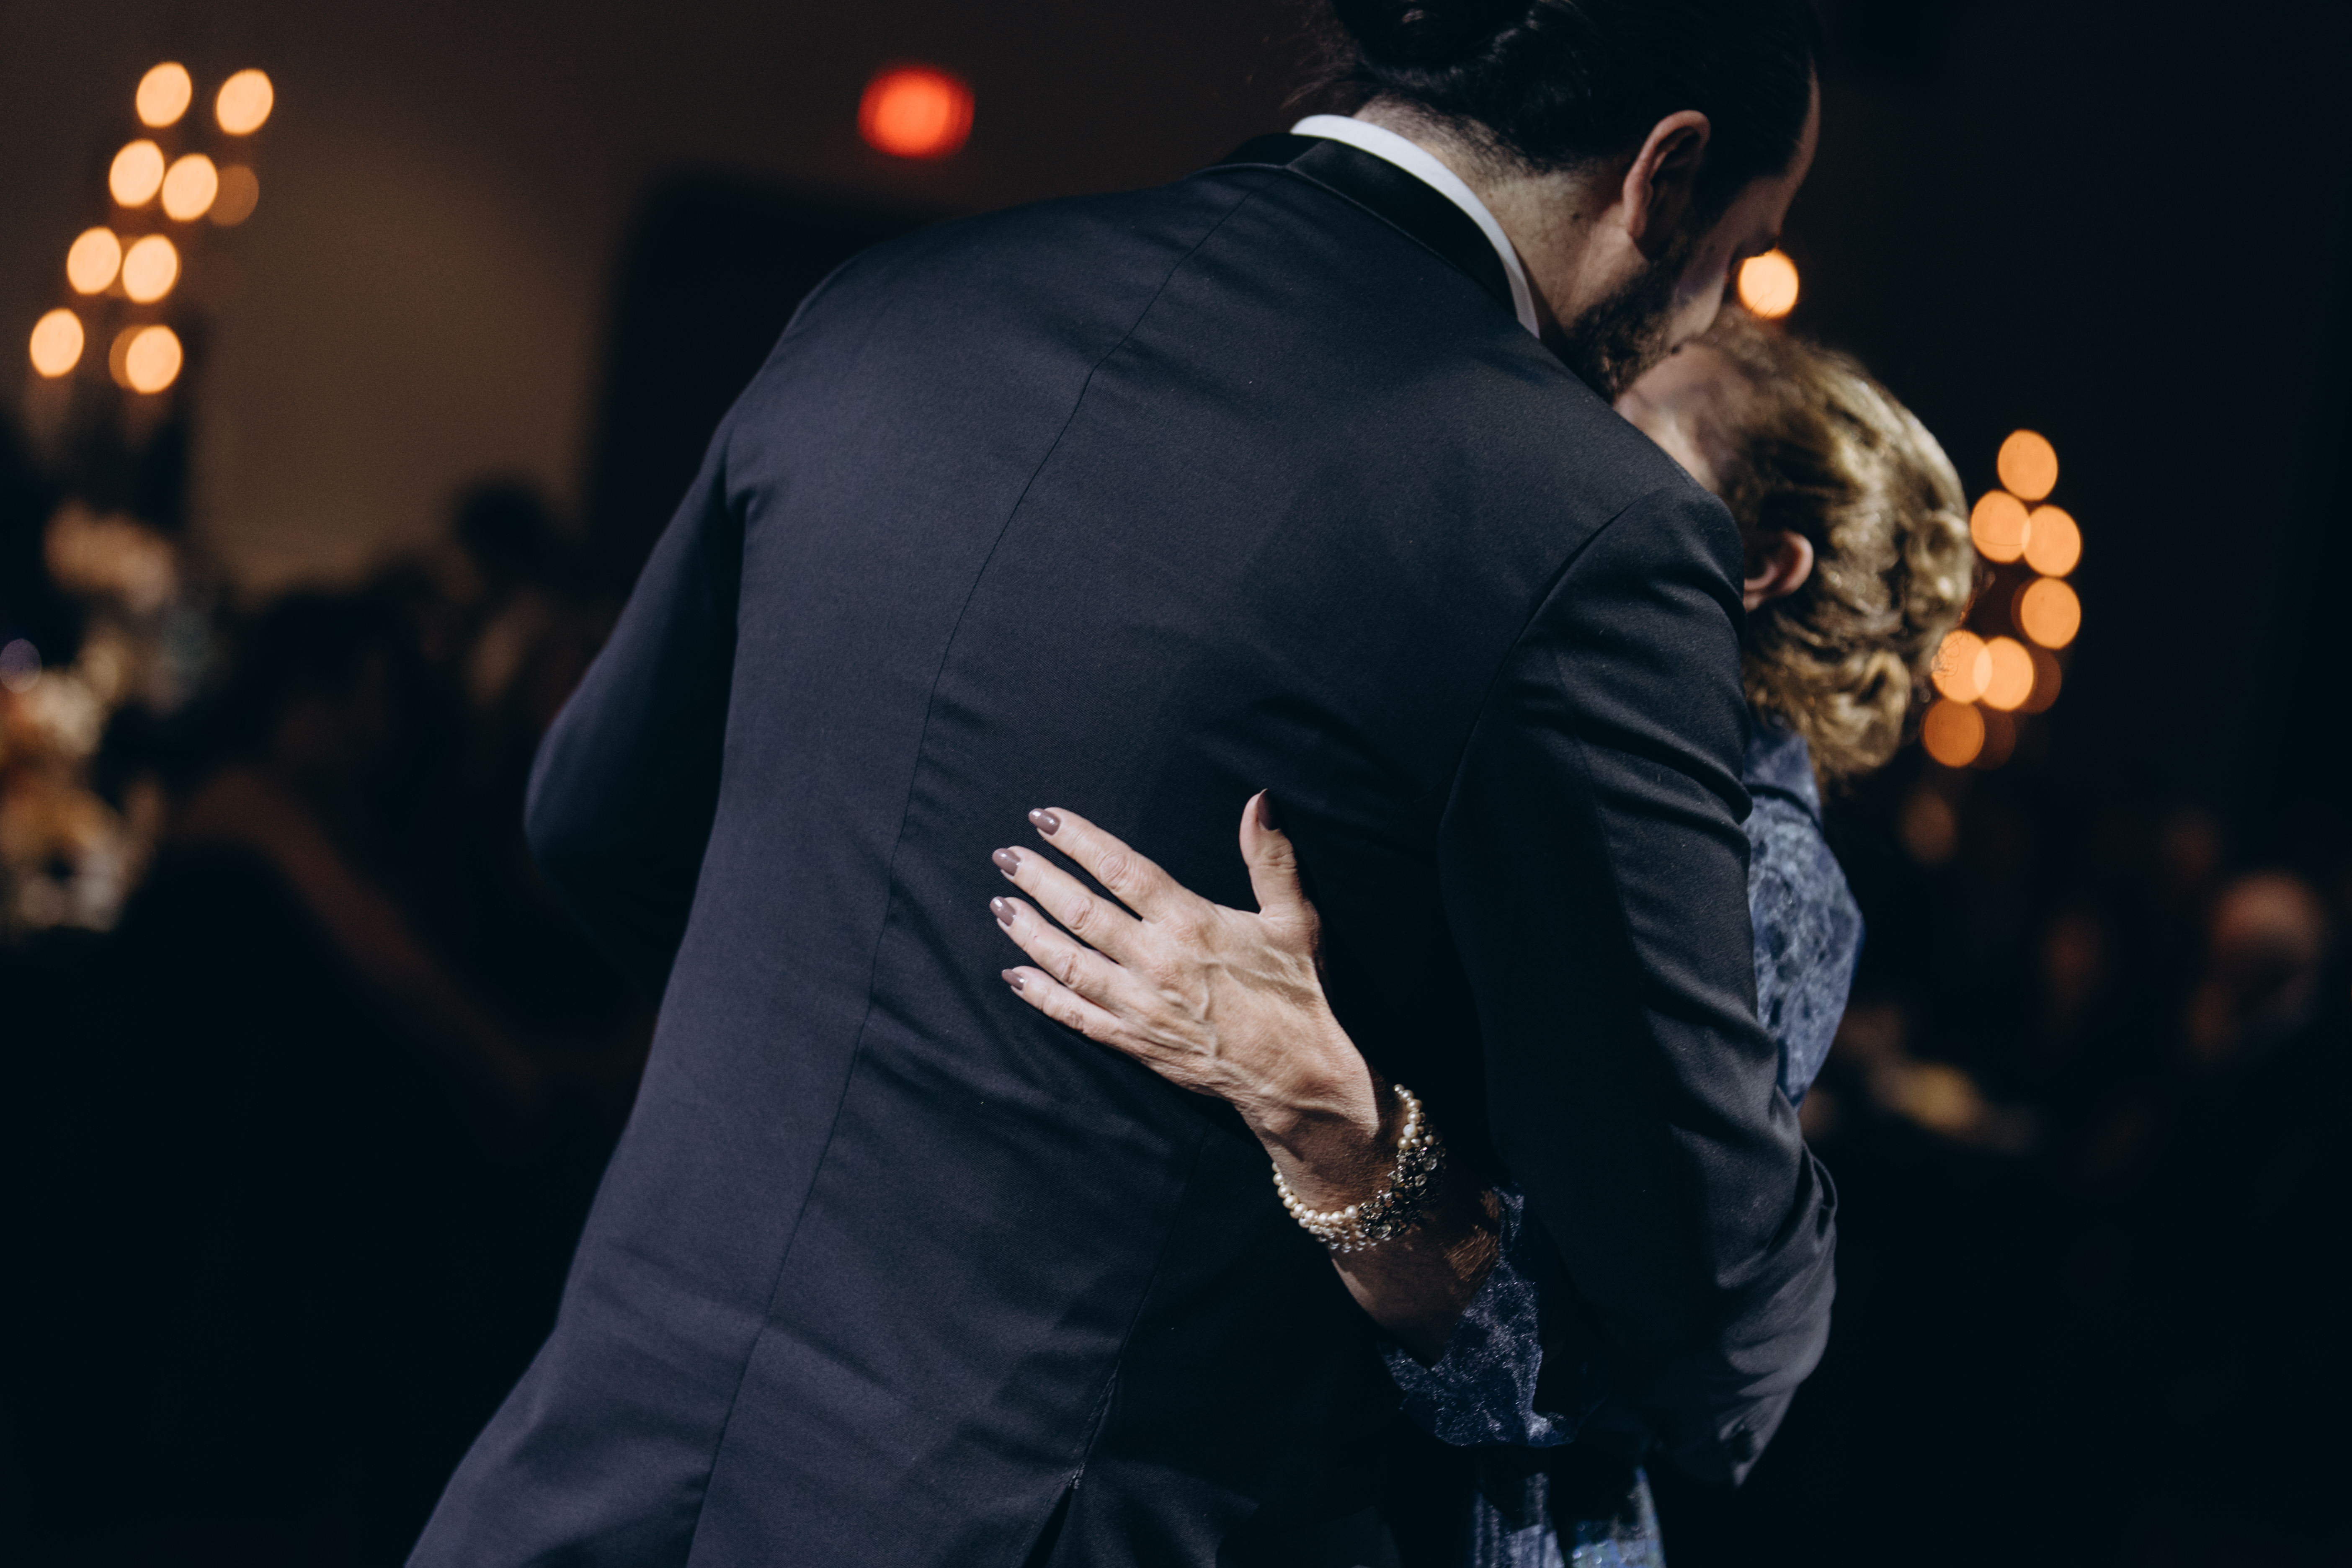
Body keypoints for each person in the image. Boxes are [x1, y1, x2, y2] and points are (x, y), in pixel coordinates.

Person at [413, 4, 1830, 1563]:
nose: (1713, 313)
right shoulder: (1587, 527)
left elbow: (593, 821)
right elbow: (1707, 1298)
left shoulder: (893, 300)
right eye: (1745, 252)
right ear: (1667, 178)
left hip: (603, 1475)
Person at [986, 313, 1977, 1563]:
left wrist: (1321, 1109)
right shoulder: (1546, 727)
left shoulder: (1765, 873)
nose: (1571, 443)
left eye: (1634, 431)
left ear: (1761, 567)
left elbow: (1576, 1356)